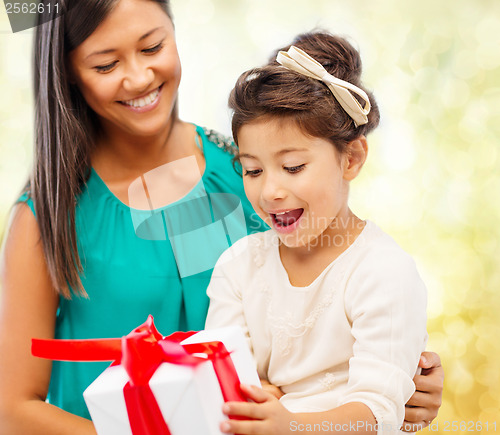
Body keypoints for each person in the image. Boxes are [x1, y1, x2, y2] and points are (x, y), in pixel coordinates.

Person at [0, 0, 442, 433]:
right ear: (68, 74)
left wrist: (401, 381)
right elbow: (14, 410)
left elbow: (340, 299)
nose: (138, 77)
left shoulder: (246, 173)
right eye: (105, 65)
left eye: (153, 47)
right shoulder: (46, 217)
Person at [204, 32, 438, 434]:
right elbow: (219, 383)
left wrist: (290, 424)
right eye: (253, 170)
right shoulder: (239, 266)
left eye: (293, 167)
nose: (271, 191)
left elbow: (378, 412)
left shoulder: (382, 271)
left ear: (351, 158)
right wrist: (257, 394)